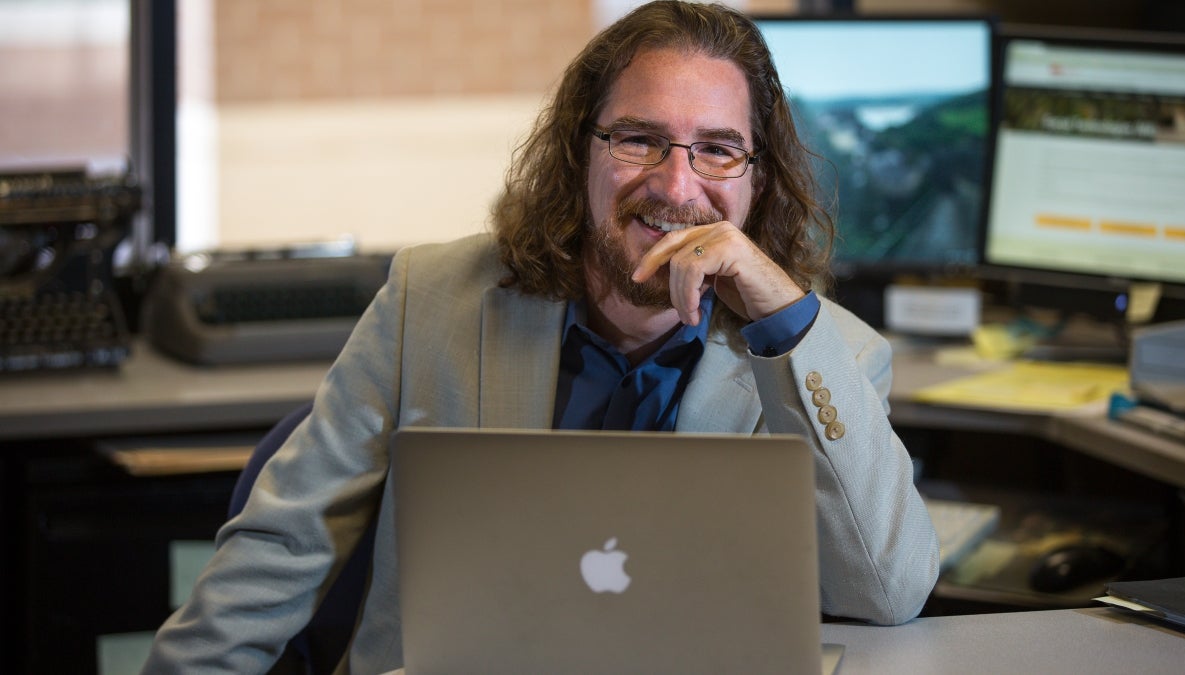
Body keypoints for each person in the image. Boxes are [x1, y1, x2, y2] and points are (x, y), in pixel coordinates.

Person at [143, 2, 939, 672]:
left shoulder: (829, 352)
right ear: (577, 151)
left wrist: (780, 313)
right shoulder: (430, 300)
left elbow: (887, 590)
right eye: (639, 139)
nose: (674, 183)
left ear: (758, 180)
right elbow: (279, 551)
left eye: (718, 150)